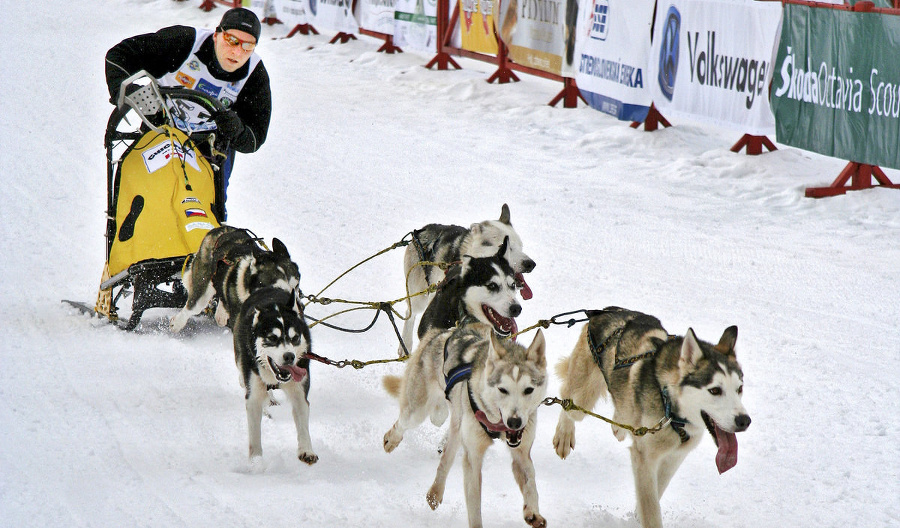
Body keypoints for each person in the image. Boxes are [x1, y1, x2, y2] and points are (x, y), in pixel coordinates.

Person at [105, 7, 271, 220]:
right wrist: (126, 89)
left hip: (210, 147)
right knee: (146, 197)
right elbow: (119, 55)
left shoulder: (254, 73)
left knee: (205, 207)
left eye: (248, 46)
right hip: (159, 131)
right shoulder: (183, 43)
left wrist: (237, 131)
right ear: (216, 35)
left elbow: (255, 138)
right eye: (232, 40)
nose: (238, 52)